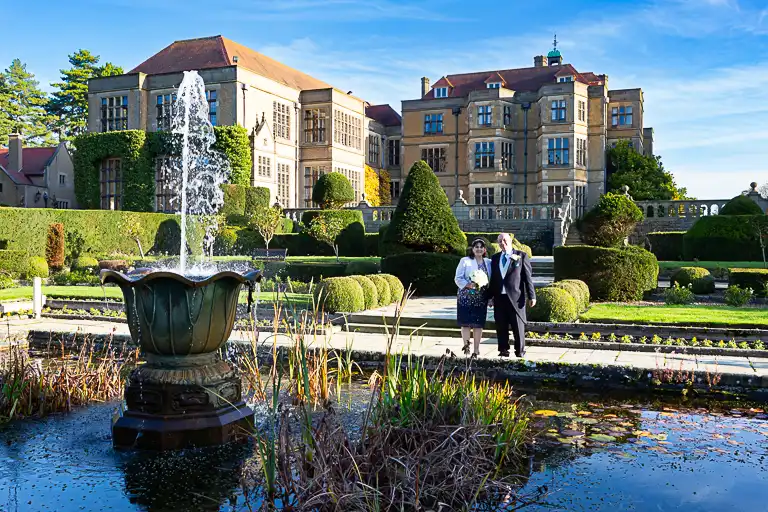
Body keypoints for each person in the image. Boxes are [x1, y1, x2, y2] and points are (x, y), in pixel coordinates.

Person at [485, 233, 536, 358]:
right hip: (499, 297)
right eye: (500, 241)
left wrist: (532, 295)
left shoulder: (521, 256)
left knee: (517, 326)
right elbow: (494, 279)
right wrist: (490, 297)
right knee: (501, 326)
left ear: (510, 240)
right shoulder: (495, 258)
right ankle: (503, 350)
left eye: (505, 240)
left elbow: (527, 277)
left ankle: (520, 351)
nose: (503, 243)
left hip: (515, 297)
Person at [454, 238, 492, 357]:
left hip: (481, 298)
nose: (479, 249)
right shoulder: (465, 261)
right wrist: (468, 284)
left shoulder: (488, 262)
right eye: (476, 247)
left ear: (484, 249)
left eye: (481, 247)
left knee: (478, 324)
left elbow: (492, 280)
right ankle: (466, 348)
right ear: (472, 249)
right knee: (465, 324)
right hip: (466, 297)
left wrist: (491, 297)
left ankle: (476, 350)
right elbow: (458, 278)